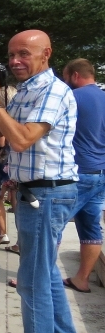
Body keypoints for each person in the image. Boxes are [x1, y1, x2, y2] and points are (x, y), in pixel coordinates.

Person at [0, 29, 87, 333]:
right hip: (34, 194)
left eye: (24, 54)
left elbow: (21, 140)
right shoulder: (24, 92)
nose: (15, 61)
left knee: (32, 281)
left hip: (47, 194)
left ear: (46, 54)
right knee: (48, 276)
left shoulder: (52, 91)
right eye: (11, 55)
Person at [60, 58, 105, 293]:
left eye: (66, 77)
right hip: (101, 172)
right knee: (91, 228)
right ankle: (82, 278)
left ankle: (39, 279)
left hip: (79, 172)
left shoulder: (73, 97)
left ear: (75, 75)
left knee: (53, 224)